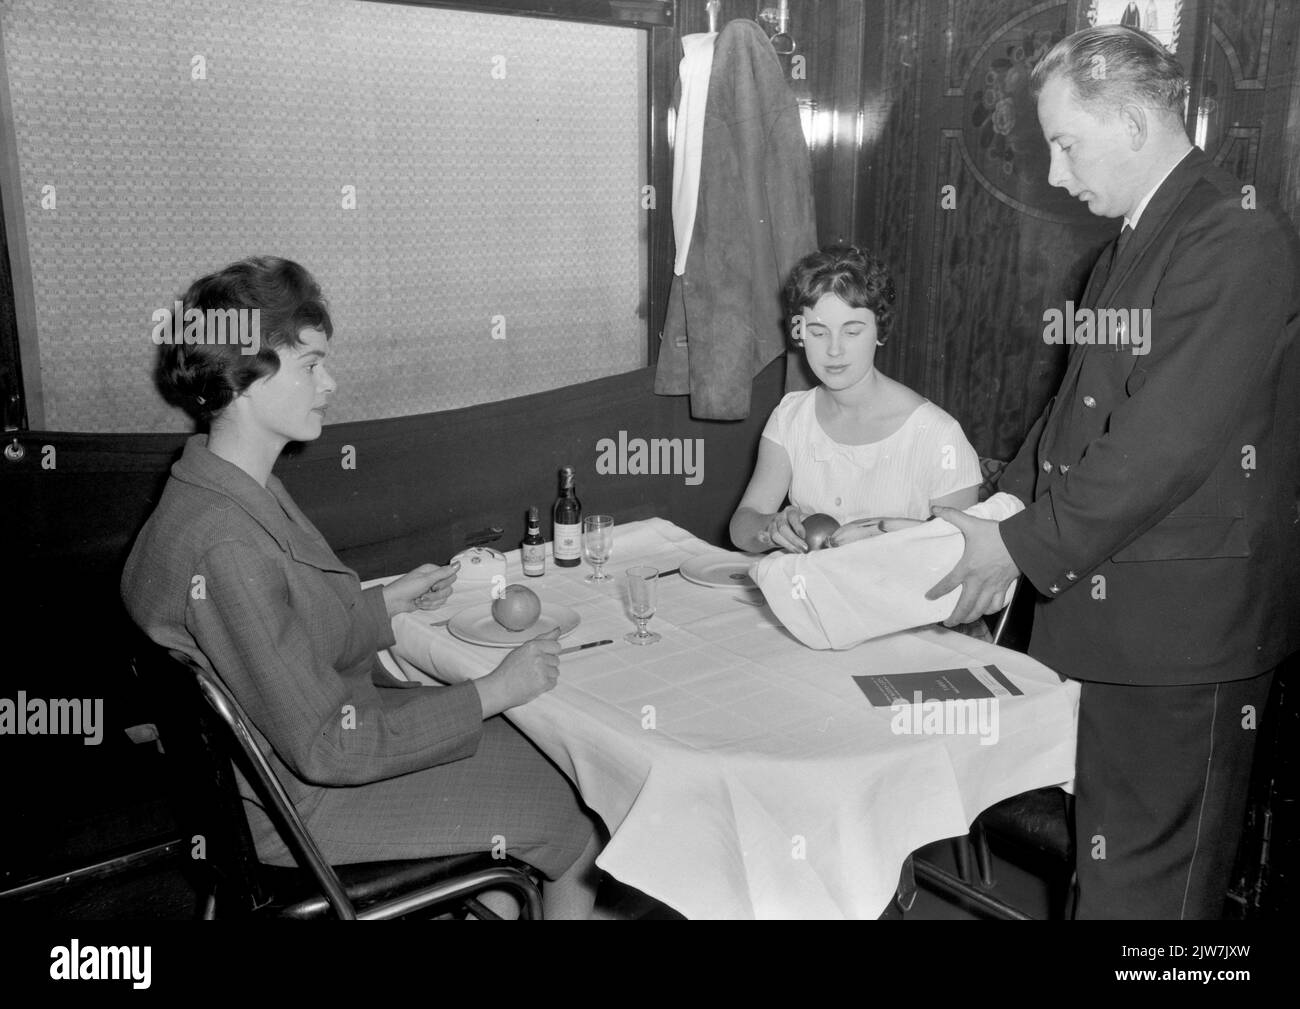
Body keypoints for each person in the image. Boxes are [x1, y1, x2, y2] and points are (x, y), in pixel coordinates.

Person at [928, 26, 1300, 918]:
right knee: (1116, 882)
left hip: (1180, 637)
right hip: (1118, 615)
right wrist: (1003, 505)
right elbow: (1071, 420)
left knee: (1148, 900)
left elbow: (1160, 445)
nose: (1056, 176)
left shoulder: (1233, 237)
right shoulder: (1131, 244)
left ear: (1134, 121)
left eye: (1066, 143)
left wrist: (1014, 548)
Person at [122, 257, 602, 919]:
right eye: (312, 364)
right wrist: (495, 689)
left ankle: (490, 893)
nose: (331, 383)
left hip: (272, 777)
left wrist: (383, 605)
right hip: (305, 806)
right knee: (577, 811)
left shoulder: (210, 487)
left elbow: (278, 639)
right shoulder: (225, 544)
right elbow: (329, 744)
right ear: (248, 375)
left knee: (536, 749)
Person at [730, 245, 982, 555]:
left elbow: (964, 552)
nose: (834, 350)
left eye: (852, 331)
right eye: (819, 332)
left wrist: (886, 537)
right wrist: (772, 528)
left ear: (880, 330)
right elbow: (743, 526)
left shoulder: (938, 435)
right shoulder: (790, 417)